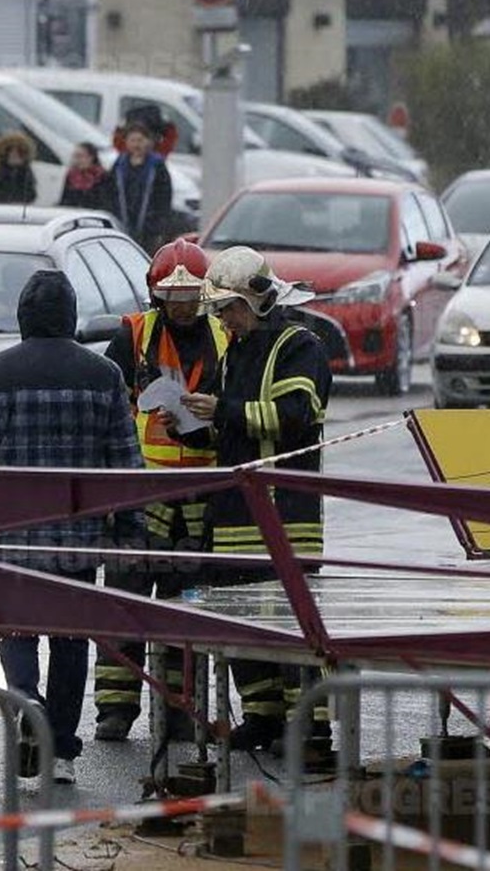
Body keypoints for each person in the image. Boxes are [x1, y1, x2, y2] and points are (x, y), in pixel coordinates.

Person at [0, 269, 143, 785]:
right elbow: (126, 465)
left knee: (15, 630)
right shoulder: (104, 376)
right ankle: (60, 751)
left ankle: (25, 706)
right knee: (72, 640)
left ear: (22, 318)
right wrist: (128, 531)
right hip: (78, 540)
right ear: (72, 318)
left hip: (11, 537)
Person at [184, 245, 332, 752]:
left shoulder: (300, 346)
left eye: (230, 310)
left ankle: (310, 726)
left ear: (259, 298)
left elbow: (293, 414)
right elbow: (232, 431)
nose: (225, 322)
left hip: (285, 515)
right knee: (244, 618)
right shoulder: (237, 352)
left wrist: (222, 410)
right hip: (235, 519)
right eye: (220, 313)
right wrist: (190, 429)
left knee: (292, 625)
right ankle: (264, 714)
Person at [93, 238, 227, 742]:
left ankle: (178, 709)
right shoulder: (132, 337)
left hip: (198, 497)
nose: (183, 305)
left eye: (191, 295)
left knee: (184, 606)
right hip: (139, 498)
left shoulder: (222, 337)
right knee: (125, 603)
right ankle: (115, 708)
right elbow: (111, 413)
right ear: (156, 294)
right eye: (173, 296)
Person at [111, 110, 173, 254]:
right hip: (122, 225)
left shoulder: (156, 166)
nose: (136, 145)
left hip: (148, 229)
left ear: (148, 142)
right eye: (132, 140)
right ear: (126, 142)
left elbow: (164, 198)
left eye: (140, 140)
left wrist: (159, 226)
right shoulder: (119, 165)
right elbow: (110, 193)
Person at [0, 131, 38, 204]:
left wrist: (20, 172)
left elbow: (31, 196)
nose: (14, 154)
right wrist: (7, 172)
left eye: (19, 151)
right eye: (10, 150)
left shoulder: (26, 170)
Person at [59, 142, 114, 212]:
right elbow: (65, 199)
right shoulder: (72, 175)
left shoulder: (102, 176)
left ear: (91, 157)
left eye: (80, 156)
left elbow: (106, 203)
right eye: (75, 156)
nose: (77, 160)